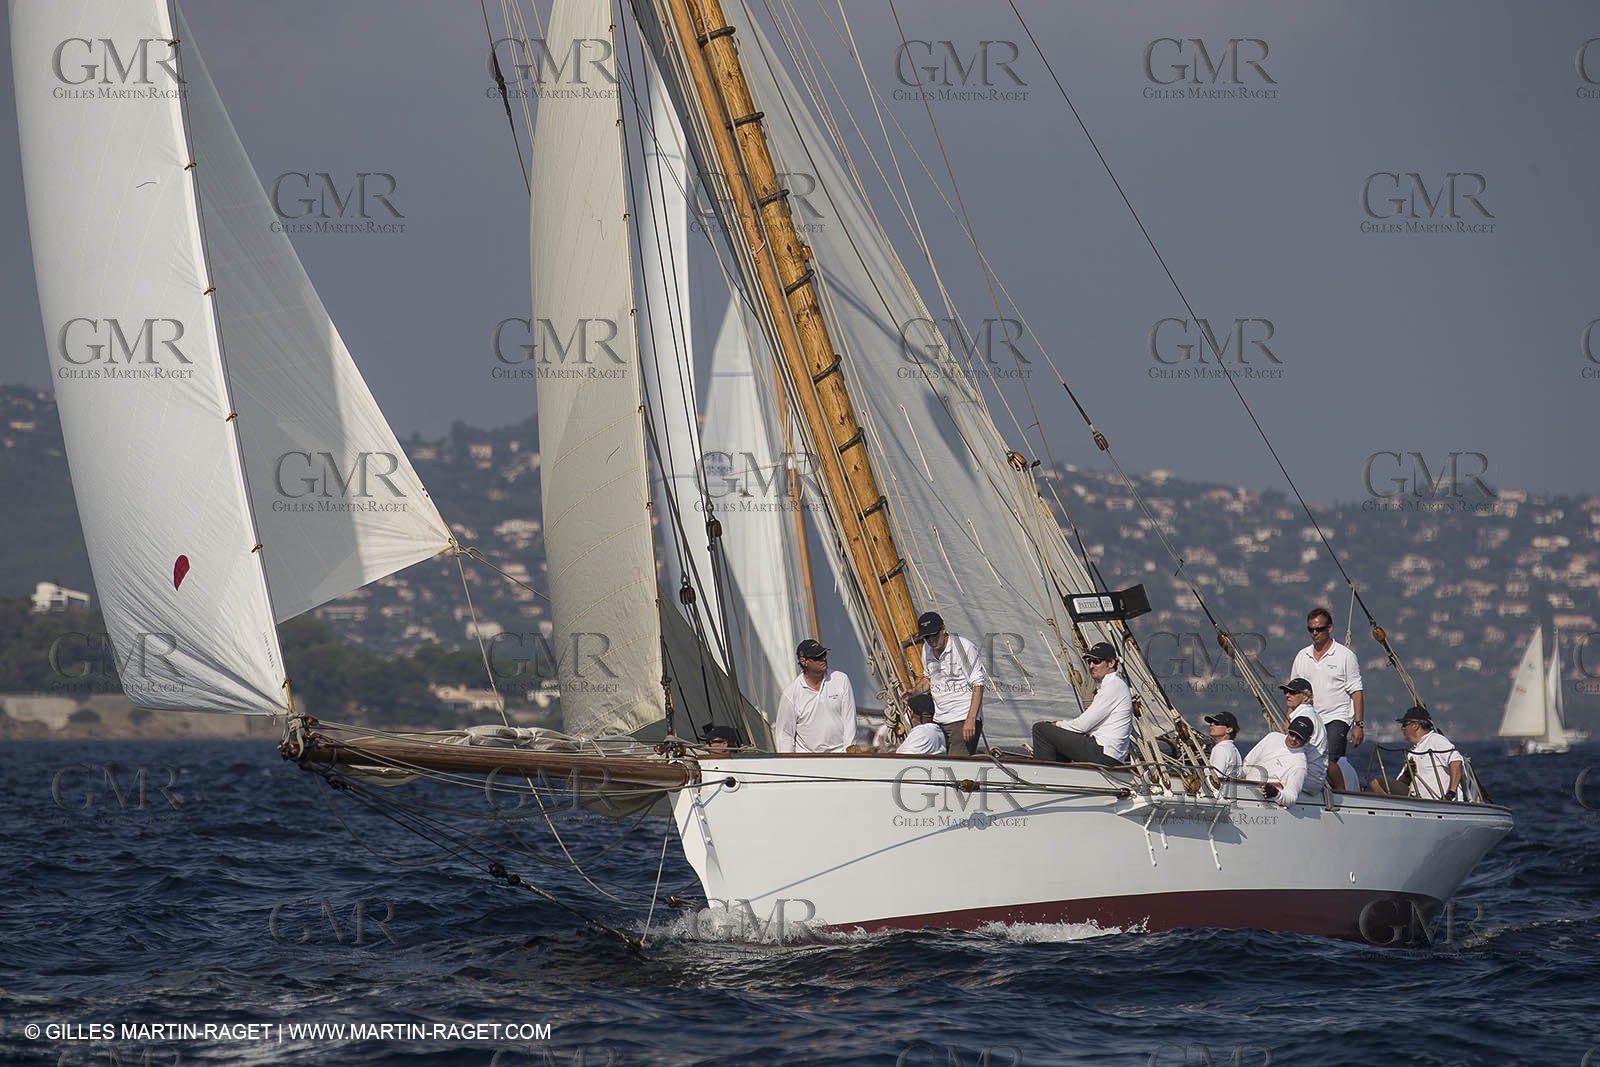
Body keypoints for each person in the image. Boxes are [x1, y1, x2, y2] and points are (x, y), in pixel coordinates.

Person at [1031, 641, 1132, 767]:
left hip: (1104, 752)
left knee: (1040, 729)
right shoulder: (1113, 686)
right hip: (1108, 752)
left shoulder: (1113, 686)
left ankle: (1043, 776)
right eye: (1089, 661)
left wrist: (1056, 724)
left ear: (1111, 663)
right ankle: (1060, 776)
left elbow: (1082, 726)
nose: (1091, 665)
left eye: (1096, 661)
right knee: (1058, 738)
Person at [1289, 607, 1365, 765]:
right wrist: (1288, 718)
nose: (1315, 633)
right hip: (1309, 717)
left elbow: (1356, 692)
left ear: (1329, 628)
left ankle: (1338, 789)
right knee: (1300, 758)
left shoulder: (1345, 656)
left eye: (1319, 629)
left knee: (1329, 761)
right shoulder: (1303, 656)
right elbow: (1293, 691)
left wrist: (1358, 725)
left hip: (1336, 717)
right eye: (1311, 629)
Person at [917, 611, 986, 755]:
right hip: (939, 719)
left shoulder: (964, 647)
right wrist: (913, 691)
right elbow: (928, 679)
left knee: (955, 767)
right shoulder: (927, 649)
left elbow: (978, 685)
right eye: (926, 637)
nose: (931, 640)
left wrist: (971, 720)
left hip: (962, 719)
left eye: (934, 635)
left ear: (944, 629)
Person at [775, 638, 857, 753]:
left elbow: (849, 720)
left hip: (840, 755)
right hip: (808, 760)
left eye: (824, 654)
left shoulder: (841, 680)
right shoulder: (790, 694)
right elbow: (785, 734)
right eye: (817, 657)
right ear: (804, 661)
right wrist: (788, 765)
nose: (823, 658)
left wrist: (849, 752)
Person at [1370, 707, 1467, 801]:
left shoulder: (1435, 740)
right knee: (1377, 783)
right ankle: (1395, 810)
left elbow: (1456, 761)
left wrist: (1451, 793)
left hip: (1438, 801)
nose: (1402, 729)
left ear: (1415, 726)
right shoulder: (1413, 751)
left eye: (1404, 725)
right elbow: (1401, 783)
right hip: (1418, 800)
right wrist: (1407, 775)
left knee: (1377, 781)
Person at [1242, 714, 1313, 806]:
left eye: (1299, 737)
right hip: (1243, 789)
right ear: (1288, 730)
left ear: (1307, 740)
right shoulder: (1273, 737)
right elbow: (1247, 764)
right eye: (1292, 733)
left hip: (1263, 802)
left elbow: (1291, 797)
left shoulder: (1299, 765)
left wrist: (1276, 793)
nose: (1293, 739)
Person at [1279, 677, 1334, 793]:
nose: (1287, 695)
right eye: (1286, 692)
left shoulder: (1303, 717)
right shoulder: (1310, 714)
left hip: (1307, 777)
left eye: (1293, 693)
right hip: (1315, 776)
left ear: (1305, 697)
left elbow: (1291, 748)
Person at [1203, 711, 1243, 777]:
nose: (1212, 724)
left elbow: (1216, 778)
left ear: (1229, 730)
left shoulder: (1220, 748)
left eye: (1217, 723)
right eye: (1211, 722)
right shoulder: (1233, 749)